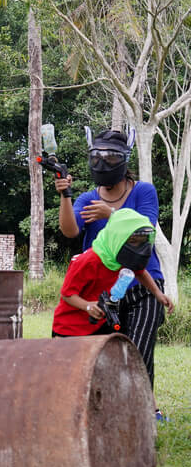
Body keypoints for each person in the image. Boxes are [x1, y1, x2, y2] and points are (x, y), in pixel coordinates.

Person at [55, 128, 171, 418]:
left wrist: (110, 214)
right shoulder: (87, 198)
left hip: (144, 280)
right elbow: (70, 230)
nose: (103, 164)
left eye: (111, 158)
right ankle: (112, 411)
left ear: (123, 160)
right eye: (98, 157)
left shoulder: (143, 191)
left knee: (139, 349)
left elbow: (144, 226)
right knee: (105, 353)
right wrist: (66, 196)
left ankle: (144, 413)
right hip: (104, 291)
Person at [52, 209, 172, 341]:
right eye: (133, 241)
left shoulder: (122, 257)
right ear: (117, 238)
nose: (138, 247)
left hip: (98, 325)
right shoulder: (87, 261)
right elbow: (67, 294)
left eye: (142, 242)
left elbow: (140, 272)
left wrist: (158, 294)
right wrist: (87, 306)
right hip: (69, 328)